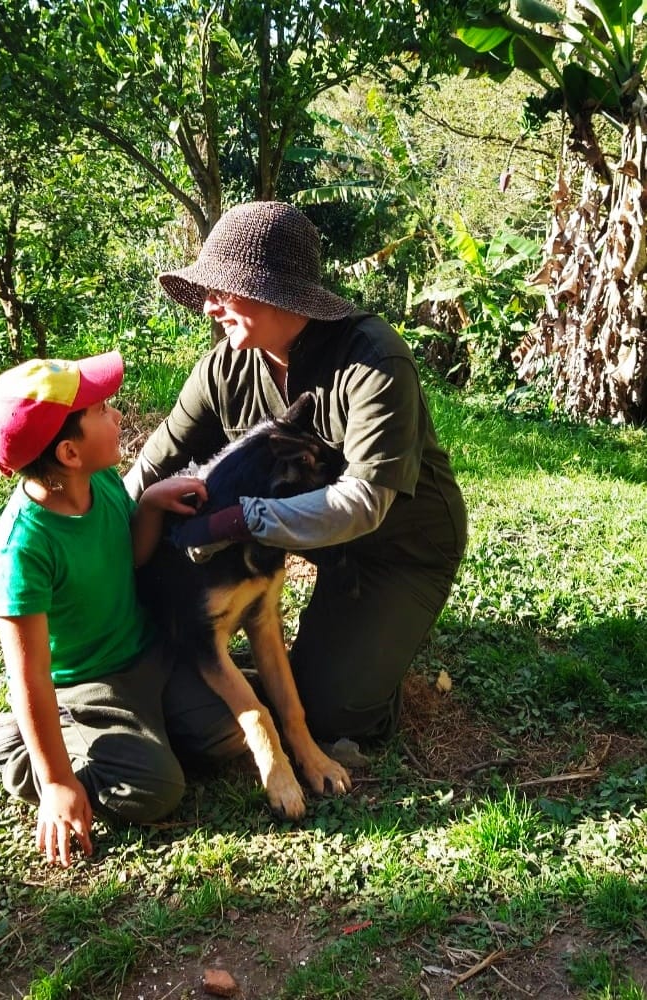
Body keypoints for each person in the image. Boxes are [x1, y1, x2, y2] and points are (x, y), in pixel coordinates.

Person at [125, 201, 467, 744]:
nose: (209, 307)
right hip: (306, 547)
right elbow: (149, 470)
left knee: (335, 713)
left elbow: (362, 504)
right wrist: (78, 552)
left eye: (222, 290)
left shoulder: (374, 361)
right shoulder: (224, 369)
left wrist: (239, 519)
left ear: (274, 290)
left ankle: (374, 653)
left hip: (396, 550)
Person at [0, 352, 243, 866]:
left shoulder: (101, 482)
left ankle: (148, 730)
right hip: (85, 685)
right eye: (103, 411)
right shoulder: (20, 550)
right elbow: (31, 677)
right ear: (69, 452)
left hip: (147, 652)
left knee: (237, 725)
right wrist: (59, 782)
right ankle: (20, 748)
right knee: (156, 790)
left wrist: (150, 502)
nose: (118, 417)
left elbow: (128, 554)